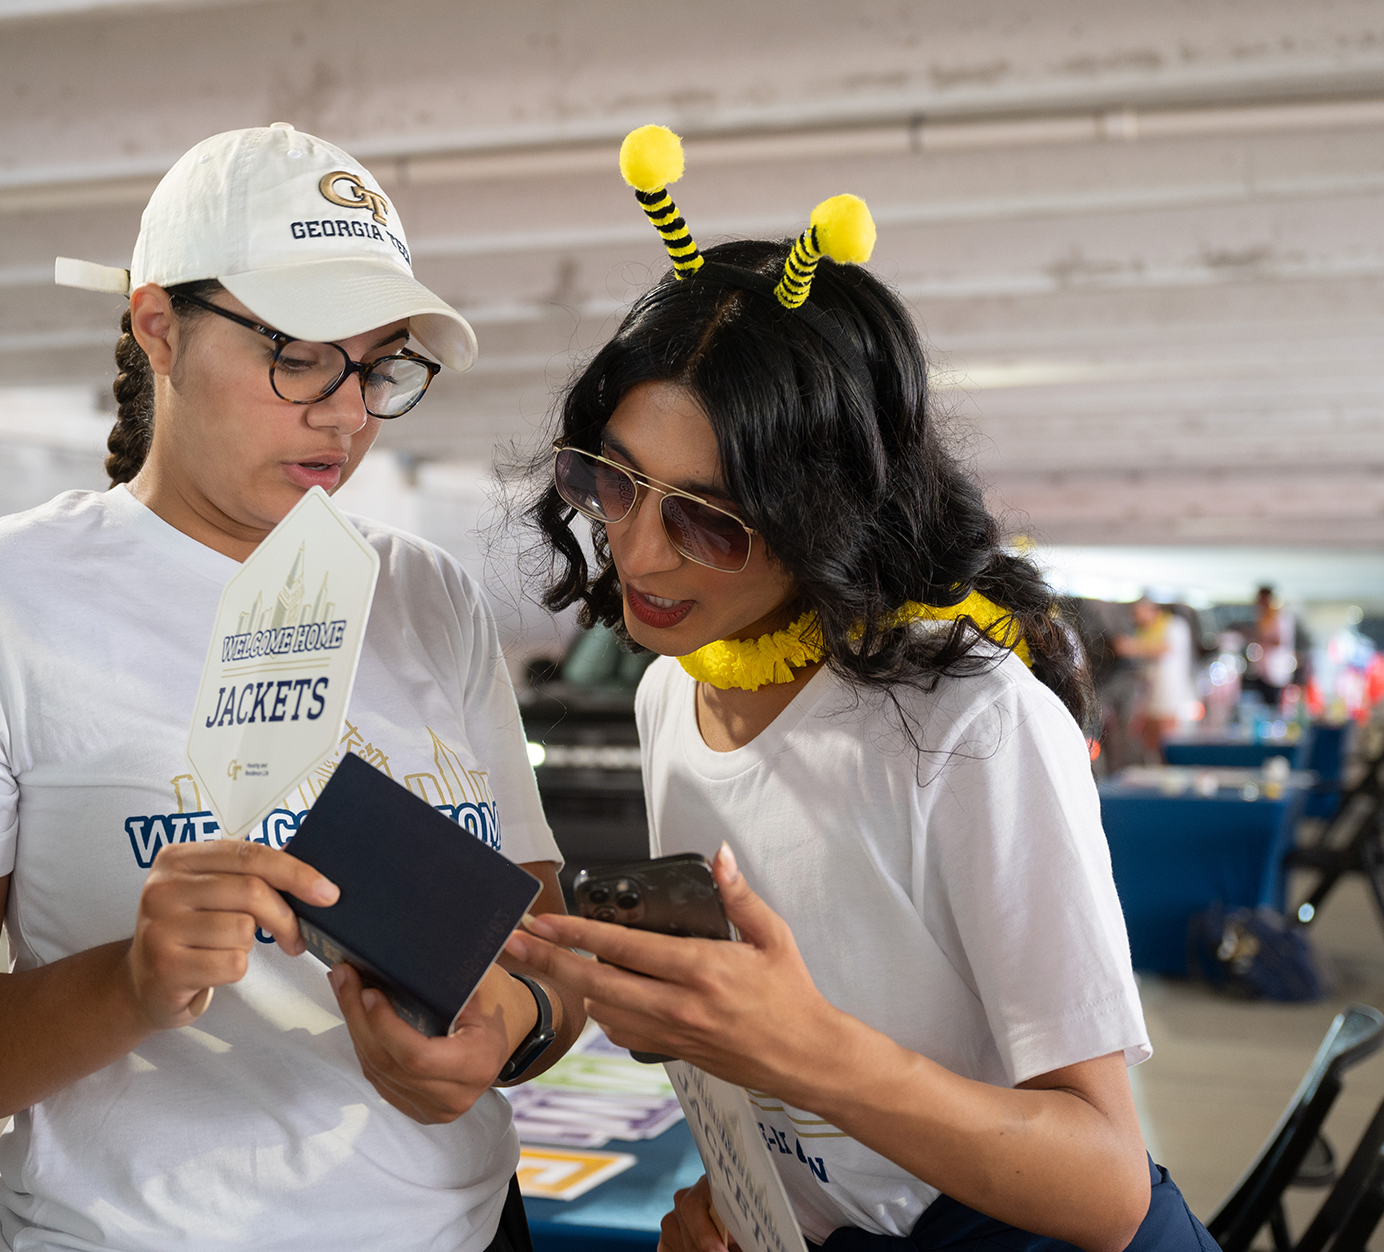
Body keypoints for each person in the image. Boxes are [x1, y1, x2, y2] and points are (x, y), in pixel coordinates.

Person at [0, 125, 583, 1252]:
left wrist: (510, 1026)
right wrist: (125, 985)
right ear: (158, 325)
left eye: (379, 363)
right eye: (297, 351)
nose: (345, 412)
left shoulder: (423, 593)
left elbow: (541, 935)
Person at [506, 126, 1216, 1252]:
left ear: (825, 519)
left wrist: (803, 1048)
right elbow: (798, 1115)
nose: (637, 555)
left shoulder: (969, 725)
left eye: (707, 519)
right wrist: (745, 1202)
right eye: (615, 483)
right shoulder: (669, 698)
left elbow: (1103, 1184)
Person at [1113, 599, 1196, 762]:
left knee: (1167, 744)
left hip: (1171, 698)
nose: (1136, 619)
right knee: (1150, 746)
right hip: (1150, 698)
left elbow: (1164, 649)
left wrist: (1130, 647)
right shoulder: (1145, 631)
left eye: (1138, 614)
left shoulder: (1173, 625)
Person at [1242, 586, 1296, 709]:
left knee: (1273, 708)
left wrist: (1258, 638)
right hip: (1262, 672)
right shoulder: (1262, 618)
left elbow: (1279, 641)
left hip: (1275, 673)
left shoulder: (1280, 618)